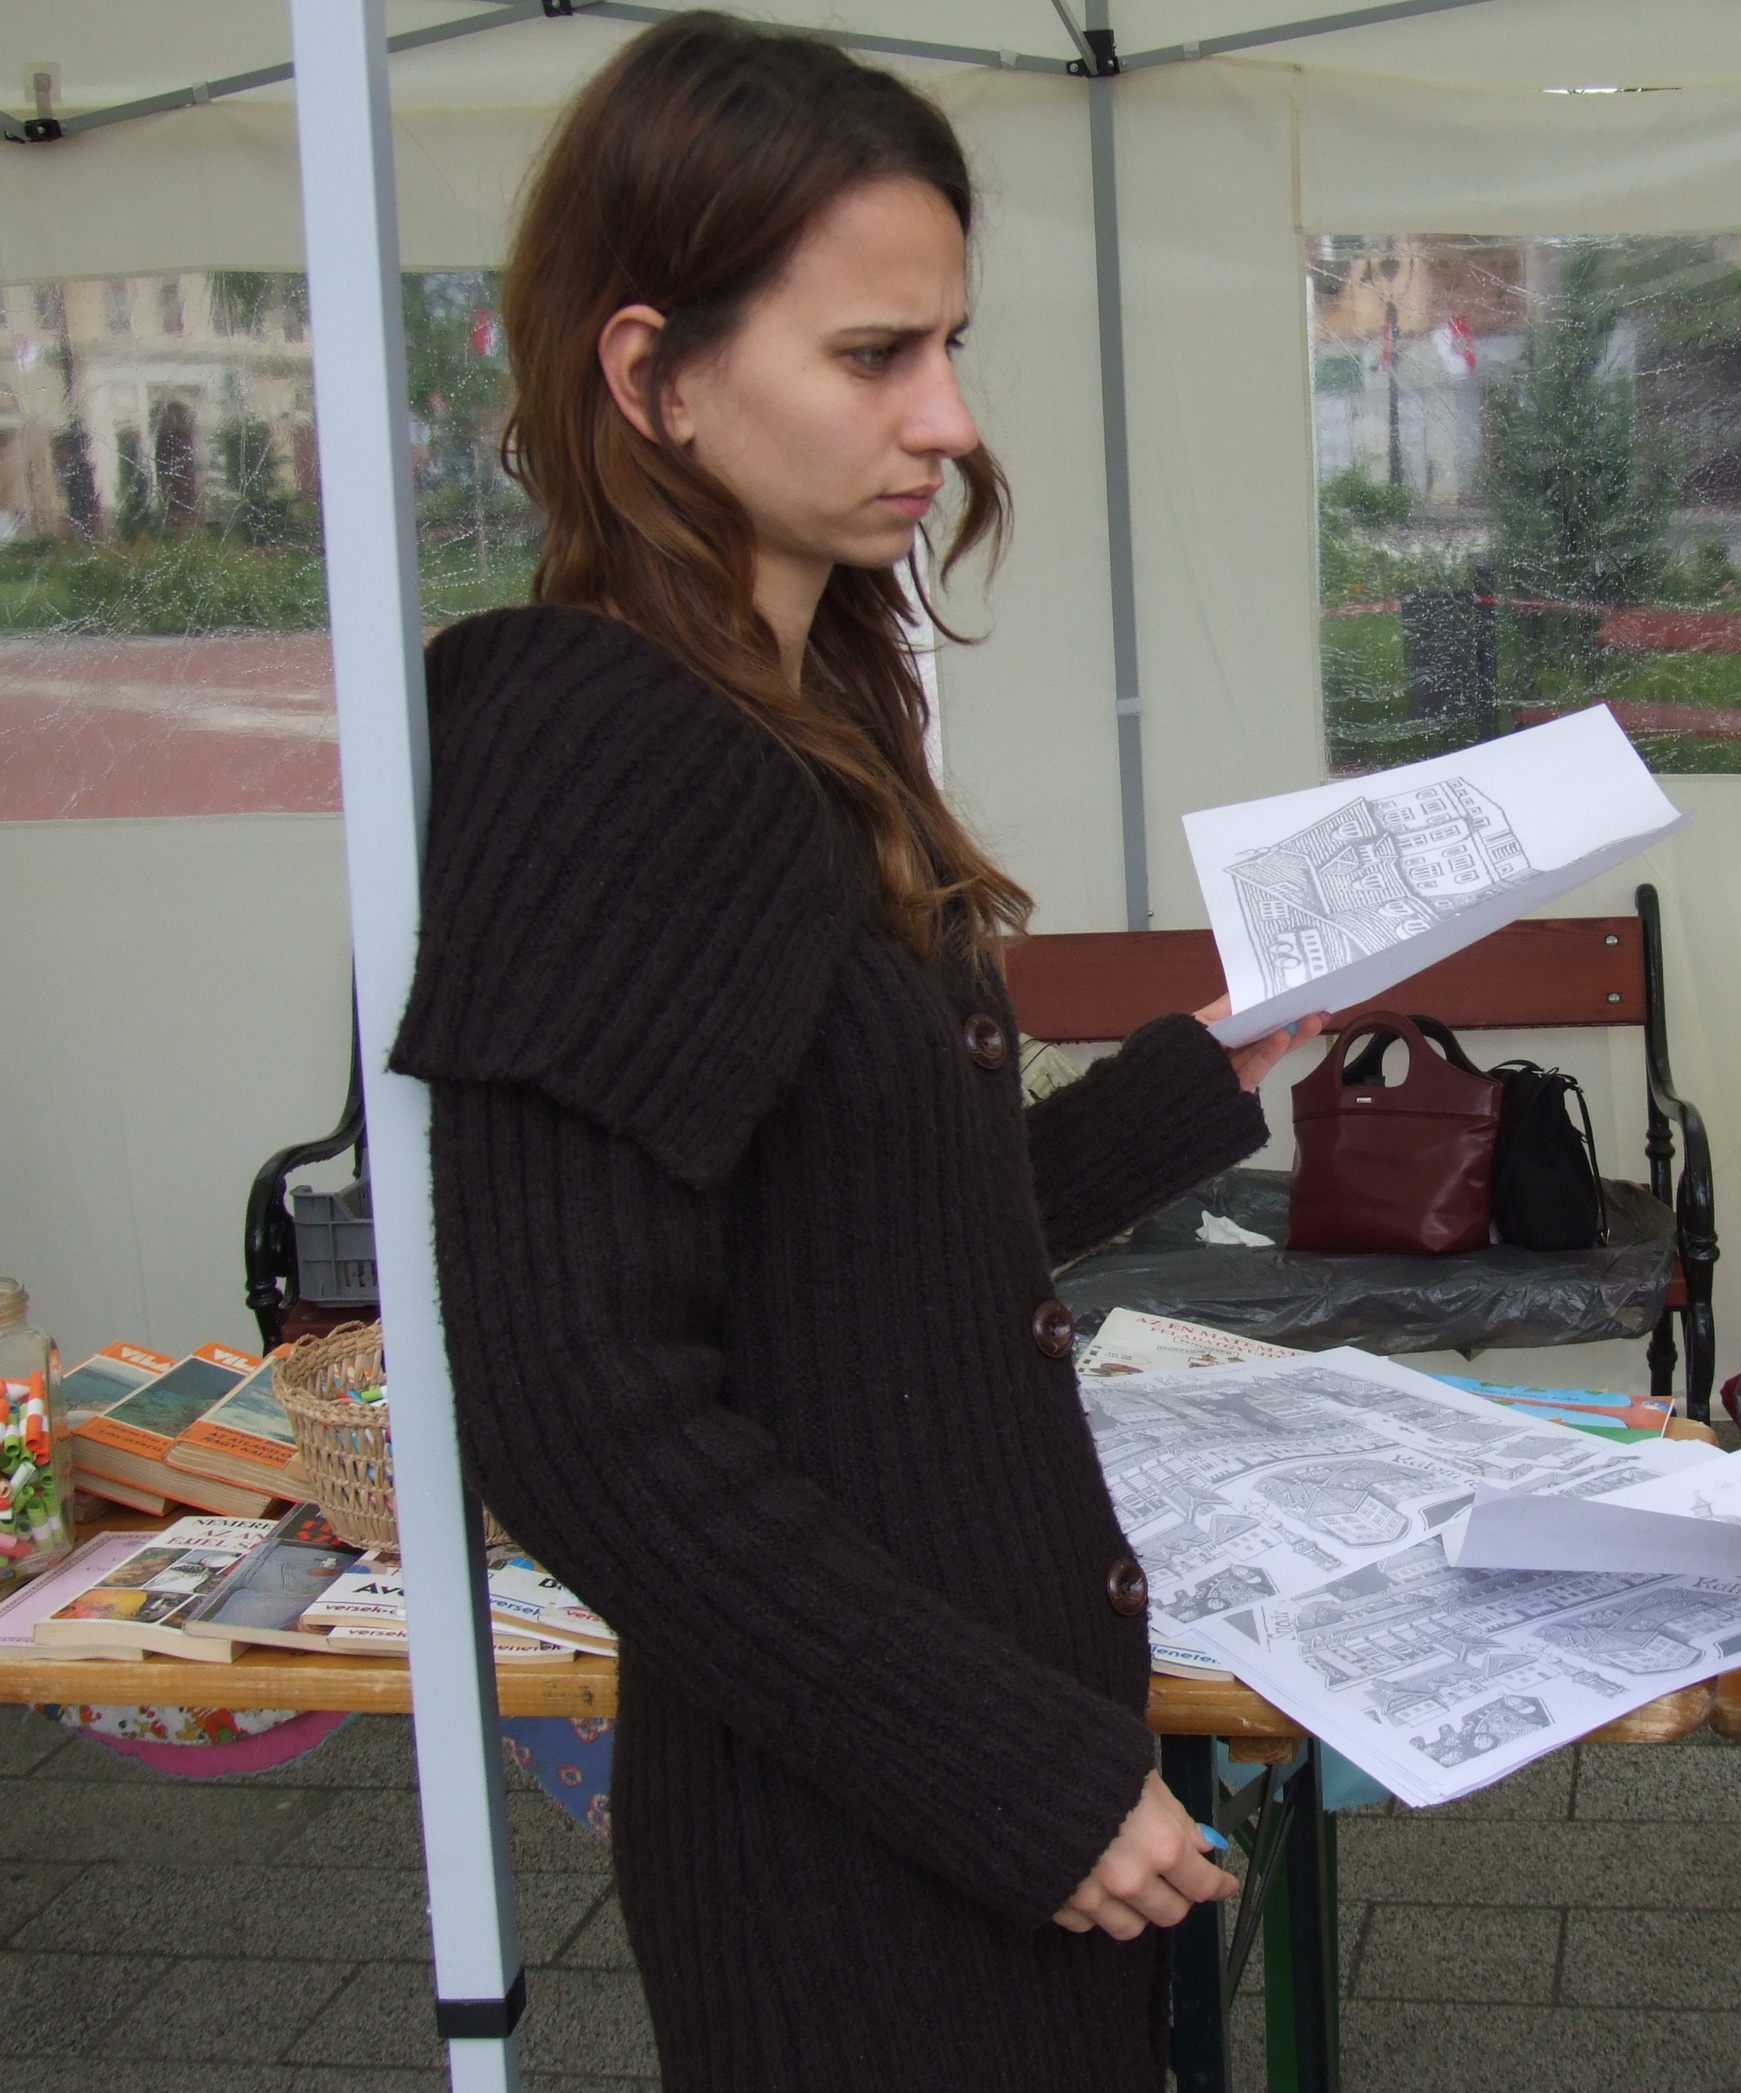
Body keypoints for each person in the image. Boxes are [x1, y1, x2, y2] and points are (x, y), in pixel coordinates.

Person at [386, 17, 1318, 2088]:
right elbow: (579, 1404)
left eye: (950, 344)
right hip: (861, 1856)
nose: (951, 419)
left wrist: (1195, 1079)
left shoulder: (801, 700)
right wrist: (1023, 1783)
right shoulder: (611, 743)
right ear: (653, 372)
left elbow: (853, 1246)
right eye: (874, 354)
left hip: (961, 1785)